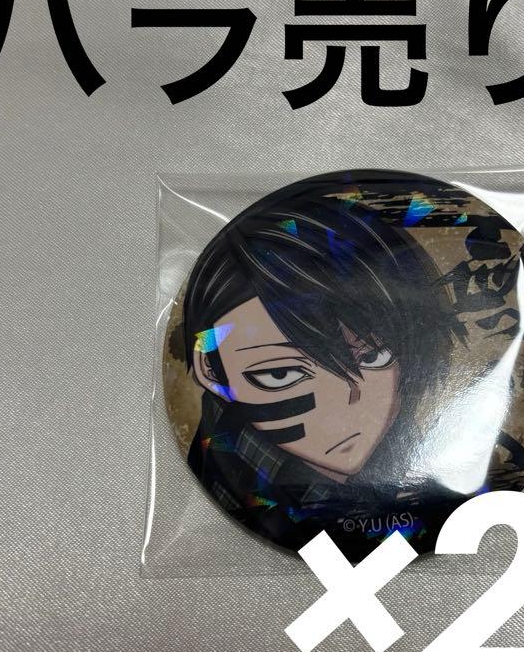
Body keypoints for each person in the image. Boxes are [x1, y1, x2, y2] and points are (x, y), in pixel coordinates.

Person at [176, 174, 467, 557]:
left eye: (372, 357)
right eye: (281, 374)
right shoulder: (245, 486)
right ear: (211, 371)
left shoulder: (421, 461)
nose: (348, 402)